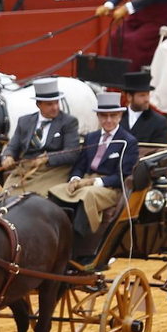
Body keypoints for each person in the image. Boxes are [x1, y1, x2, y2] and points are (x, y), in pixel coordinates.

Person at [47, 92, 137, 257]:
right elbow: (80, 165)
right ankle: (53, 238)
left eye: (113, 116)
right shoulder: (91, 137)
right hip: (84, 182)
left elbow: (122, 175)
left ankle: (77, 249)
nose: (108, 120)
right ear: (98, 117)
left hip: (109, 188)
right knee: (56, 191)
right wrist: (75, 179)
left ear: (120, 116)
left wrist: (93, 182)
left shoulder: (128, 141)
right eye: (104, 116)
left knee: (87, 196)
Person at [0, 78, 81, 195]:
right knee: (5, 197)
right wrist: (8, 156)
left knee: (36, 199)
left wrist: (48, 158)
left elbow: (72, 153)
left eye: (56, 102)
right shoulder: (24, 121)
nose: (55, 107)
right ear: (38, 104)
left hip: (53, 171)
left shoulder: (68, 122)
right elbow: (13, 146)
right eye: (49, 104)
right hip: (25, 170)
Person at [116, 71, 167, 144]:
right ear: (129, 97)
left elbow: (158, 150)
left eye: (148, 94)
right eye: (142, 95)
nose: (147, 99)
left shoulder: (159, 122)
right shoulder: (118, 118)